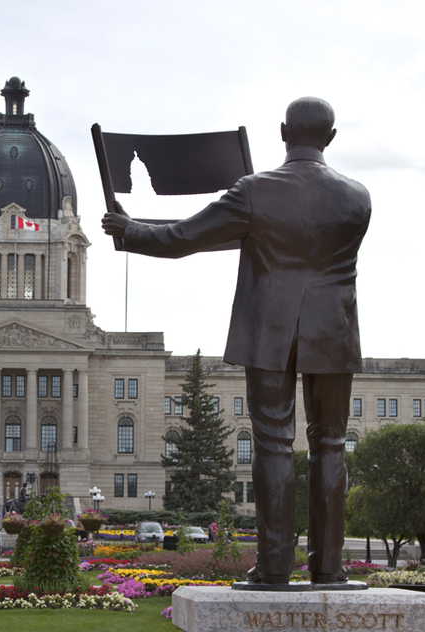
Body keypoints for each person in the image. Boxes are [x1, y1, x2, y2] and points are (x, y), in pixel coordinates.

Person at [102, 97, 371, 585]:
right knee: (330, 444)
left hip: (269, 328)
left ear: (283, 131)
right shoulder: (358, 196)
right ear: (330, 138)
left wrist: (130, 231)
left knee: (273, 443)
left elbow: (184, 237)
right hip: (333, 329)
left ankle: (272, 569)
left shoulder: (255, 191)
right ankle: (329, 570)